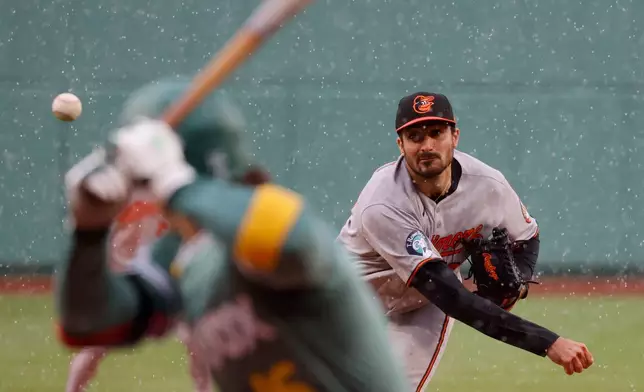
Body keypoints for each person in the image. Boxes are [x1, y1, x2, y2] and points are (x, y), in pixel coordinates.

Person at [55, 79, 410, 392]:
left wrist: (179, 185)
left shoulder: (269, 220)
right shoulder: (180, 258)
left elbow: (292, 244)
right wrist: (87, 232)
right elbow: (88, 324)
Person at [336, 91, 594, 391]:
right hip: (347, 298)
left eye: (436, 133)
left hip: (422, 303)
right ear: (400, 145)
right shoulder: (383, 203)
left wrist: (518, 281)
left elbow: (527, 237)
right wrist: (548, 342)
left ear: (455, 136)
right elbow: (453, 297)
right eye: (415, 136)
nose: (427, 145)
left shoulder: (488, 185)